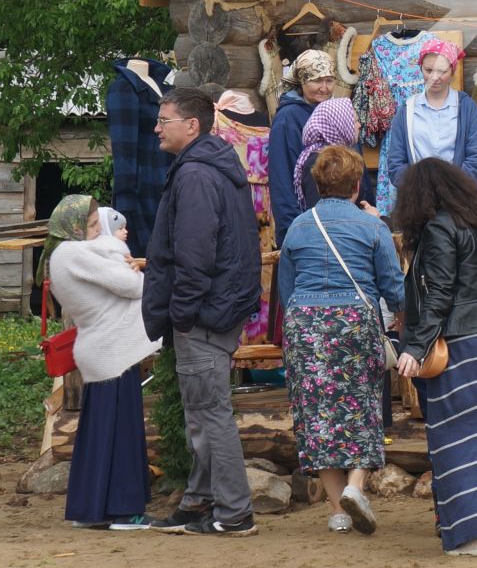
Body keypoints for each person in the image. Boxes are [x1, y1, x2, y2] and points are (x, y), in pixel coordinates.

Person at [141, 87, 263, 537]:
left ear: (191, 125)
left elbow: (194, 255)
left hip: (205, 314)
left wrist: (184, 313)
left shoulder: (195, 175)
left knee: (210, 413)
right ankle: (198, 502)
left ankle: (234, 514)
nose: (156, 127)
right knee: (201, 412)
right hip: (218, 309)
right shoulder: (214, 167)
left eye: (164, 120)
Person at [393, 158, 477, 557]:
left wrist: (415, 347)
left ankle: (476, 536)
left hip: (462, 341)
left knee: (455, 436)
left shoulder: (439, 227)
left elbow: (441, 293)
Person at [277, 145, 404, 536]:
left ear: (318, 184)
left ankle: (338, 512)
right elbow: (393, 288)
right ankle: (355, 486)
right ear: (355, 184)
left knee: (318, 414)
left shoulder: (299, 226)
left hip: (305, 323)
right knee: (362, 405)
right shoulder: (372, 226)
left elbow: (286, 290)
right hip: (353, 321)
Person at [47, 197, 158, 531]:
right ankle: (125, 511)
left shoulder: (64, 256)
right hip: (114, 350)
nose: (98, 232)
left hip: (102, 347)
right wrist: (133, 268)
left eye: (98, 224)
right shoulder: (74, 253)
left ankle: (90, 507)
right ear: (73, 227)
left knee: (99, 430)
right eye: (92, 226)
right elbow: (131, 284)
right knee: (123, 430)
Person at [379, 39, 477, 216]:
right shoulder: (407, 111)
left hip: (461, 204)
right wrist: (420, 191)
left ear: (453, 70)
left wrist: (452, 191)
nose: (434, 77)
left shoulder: (467, 108)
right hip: (418, 205)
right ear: (420, 68)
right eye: (428, 70)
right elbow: (395, 163)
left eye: (442, 71)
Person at [270, 48, 337, 245]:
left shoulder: (332, 112)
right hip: (305, 223)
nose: (324, 88)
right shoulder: (287, 118)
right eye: (317, 81)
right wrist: (293, 228)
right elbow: (281, 176)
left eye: (329, 80)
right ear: (301, 81)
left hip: (334, 219)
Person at [293, 96, 361, 208]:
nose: (359, 125)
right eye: (354, 121)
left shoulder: (344, 154)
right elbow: (319, 211)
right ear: (339, 125)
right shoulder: (319, 160)